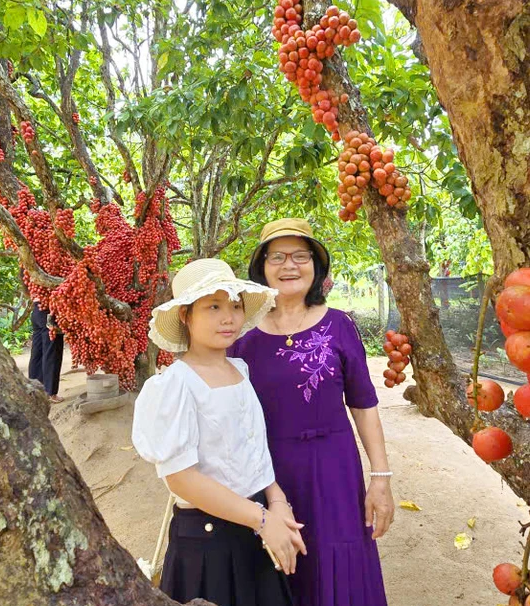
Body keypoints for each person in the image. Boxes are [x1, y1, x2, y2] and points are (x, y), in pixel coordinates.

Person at [230, 218, 393, 606]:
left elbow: (364, 405)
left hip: (335, 468)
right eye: (278, 257)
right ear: (261, 268)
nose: (290, 265)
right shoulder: (241, 338)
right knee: (279, 564)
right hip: (270, 473)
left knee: (341, 558)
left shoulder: (339, 326)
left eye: (301, 256)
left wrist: (381, 478)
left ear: (316, 267)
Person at [132, 258, 306, 606]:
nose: (228, 317)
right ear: (186, 315)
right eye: (213, 306)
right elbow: (181, 479)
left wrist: (277, 501)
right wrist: (262, 520)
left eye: (235, 306)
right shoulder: (174, 384)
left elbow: (253, 449)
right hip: (208, 543)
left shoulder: (240, 370)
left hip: (255, 530)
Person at [28, 301, 64, 403]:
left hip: (37, 310)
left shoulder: (32, 285)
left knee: (37, 353)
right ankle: (50, 392)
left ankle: (35, 391)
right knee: (52, 352)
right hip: (48, 311)